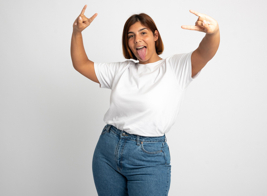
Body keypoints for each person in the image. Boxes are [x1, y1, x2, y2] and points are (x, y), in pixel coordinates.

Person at [71, 4, 220, 196]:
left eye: (143, 33)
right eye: (131, 36)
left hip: (148, 158)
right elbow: (81, 64)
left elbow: (205, 52)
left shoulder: (175, 68)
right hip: (107, 150)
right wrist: (76, 32)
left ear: (155, 36)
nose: (137, 40)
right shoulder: (121, 70)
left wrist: (212, 32)